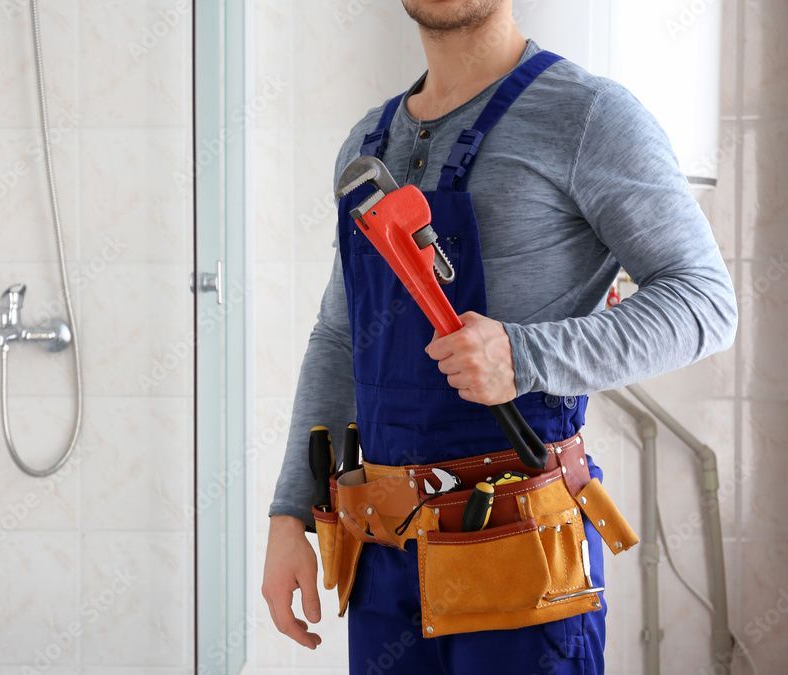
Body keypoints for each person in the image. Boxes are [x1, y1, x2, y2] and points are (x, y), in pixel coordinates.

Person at [262, 1, 738, 672]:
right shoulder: (366, 146)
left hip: (523, 555)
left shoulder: (589, 116)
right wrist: (291, 516)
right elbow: (341, 336)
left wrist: (525, 353)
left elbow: (705, 302)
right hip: (384, 557)